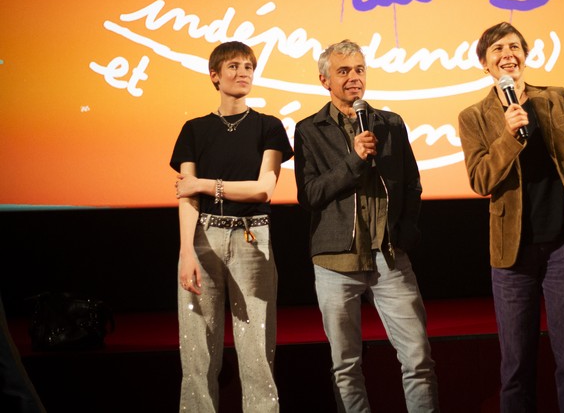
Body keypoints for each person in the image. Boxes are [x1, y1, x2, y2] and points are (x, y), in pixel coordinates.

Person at [458, 22, 564, 412]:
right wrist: (509, 137)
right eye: (497, 50)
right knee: (516, 365)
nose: (508, 54)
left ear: (525, 54)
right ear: (485, 65)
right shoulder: (474, 116)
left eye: (514, 46)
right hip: (512, 253)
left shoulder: (556, 98)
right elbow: (480, 179)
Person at [293, 39, 439, 412]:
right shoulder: (310, 129)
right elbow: (310, 194)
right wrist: (354, 160)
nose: (354, 78)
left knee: (418, 359)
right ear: (325, 80)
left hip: (389, 257)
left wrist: (406, 232)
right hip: (335, 261)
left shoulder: (389, 123)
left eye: (359, 70)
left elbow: (411, 183)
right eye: (344, 71)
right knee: (346, 366)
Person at [170, 41, 293, 413]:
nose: (243, 73)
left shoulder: (268, 127)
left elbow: (262, 189)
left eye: (249, 67)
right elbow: (186, 197)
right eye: (234, 67)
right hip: (202, 236)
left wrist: (208, 185)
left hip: (252, 237)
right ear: (215, 76)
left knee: (256, 346)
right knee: (197, 350)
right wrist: (186, 251)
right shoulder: (194, 129)